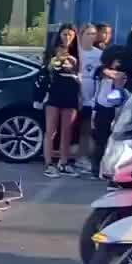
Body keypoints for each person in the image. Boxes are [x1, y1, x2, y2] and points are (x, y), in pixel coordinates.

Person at [36, 25, 81, 178]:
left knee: (67, 131)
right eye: (64, 34)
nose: (67, 37)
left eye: (70, 35)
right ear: (60, 35)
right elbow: (45, 71)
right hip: (54, 95)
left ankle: (64, 162)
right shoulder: (52, 51)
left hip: (71, 95)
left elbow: (80, 74)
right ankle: (49, 163)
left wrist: (74, 66)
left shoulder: (77, 53)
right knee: (51, 131)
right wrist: (54, 62)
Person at [75, 23, 104, 175]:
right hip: (75, 92)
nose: (91, 37)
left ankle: (82, 156)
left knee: (86, 128)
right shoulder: (76, 52)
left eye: (93, 34)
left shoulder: (98, 54)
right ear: (81, 35)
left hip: (91, 94)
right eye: (88, 34)